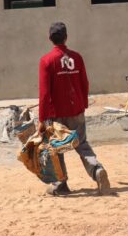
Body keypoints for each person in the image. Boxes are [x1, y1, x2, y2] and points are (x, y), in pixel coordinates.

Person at [38, 22, 110, 196]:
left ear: (50, 39)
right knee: (82, 144)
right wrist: (83, 103)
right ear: (66, 37)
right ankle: (97, 170)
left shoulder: (46, 61)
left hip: (56, 114)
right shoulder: (77, 58)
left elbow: (44, 93)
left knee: (56, 148)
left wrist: (42, 118)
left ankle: (60, 184)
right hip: (76, 110)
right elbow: (84, 82)